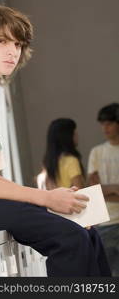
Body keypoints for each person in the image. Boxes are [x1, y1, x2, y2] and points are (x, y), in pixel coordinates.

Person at [0, 5, 111, 277]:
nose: (12, 51)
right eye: (2, 41)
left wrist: (50, 202)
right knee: (69, 239)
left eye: (17, 43)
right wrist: (44, 198)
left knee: (87, 232)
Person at [87, 102, 119, 276]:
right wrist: (115, 189)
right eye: (102, 124)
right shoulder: (97, 152)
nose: (104, 128)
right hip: (105, 223)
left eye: (109, 123)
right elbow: (94, 191)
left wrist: (106, 189)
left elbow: (101, 190)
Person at [37, 118, 85, 190]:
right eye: (74, 133)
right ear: (67, 137)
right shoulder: (71, 161)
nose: (77, 135)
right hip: (70, 200)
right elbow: (80, 190)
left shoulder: (47, 162)